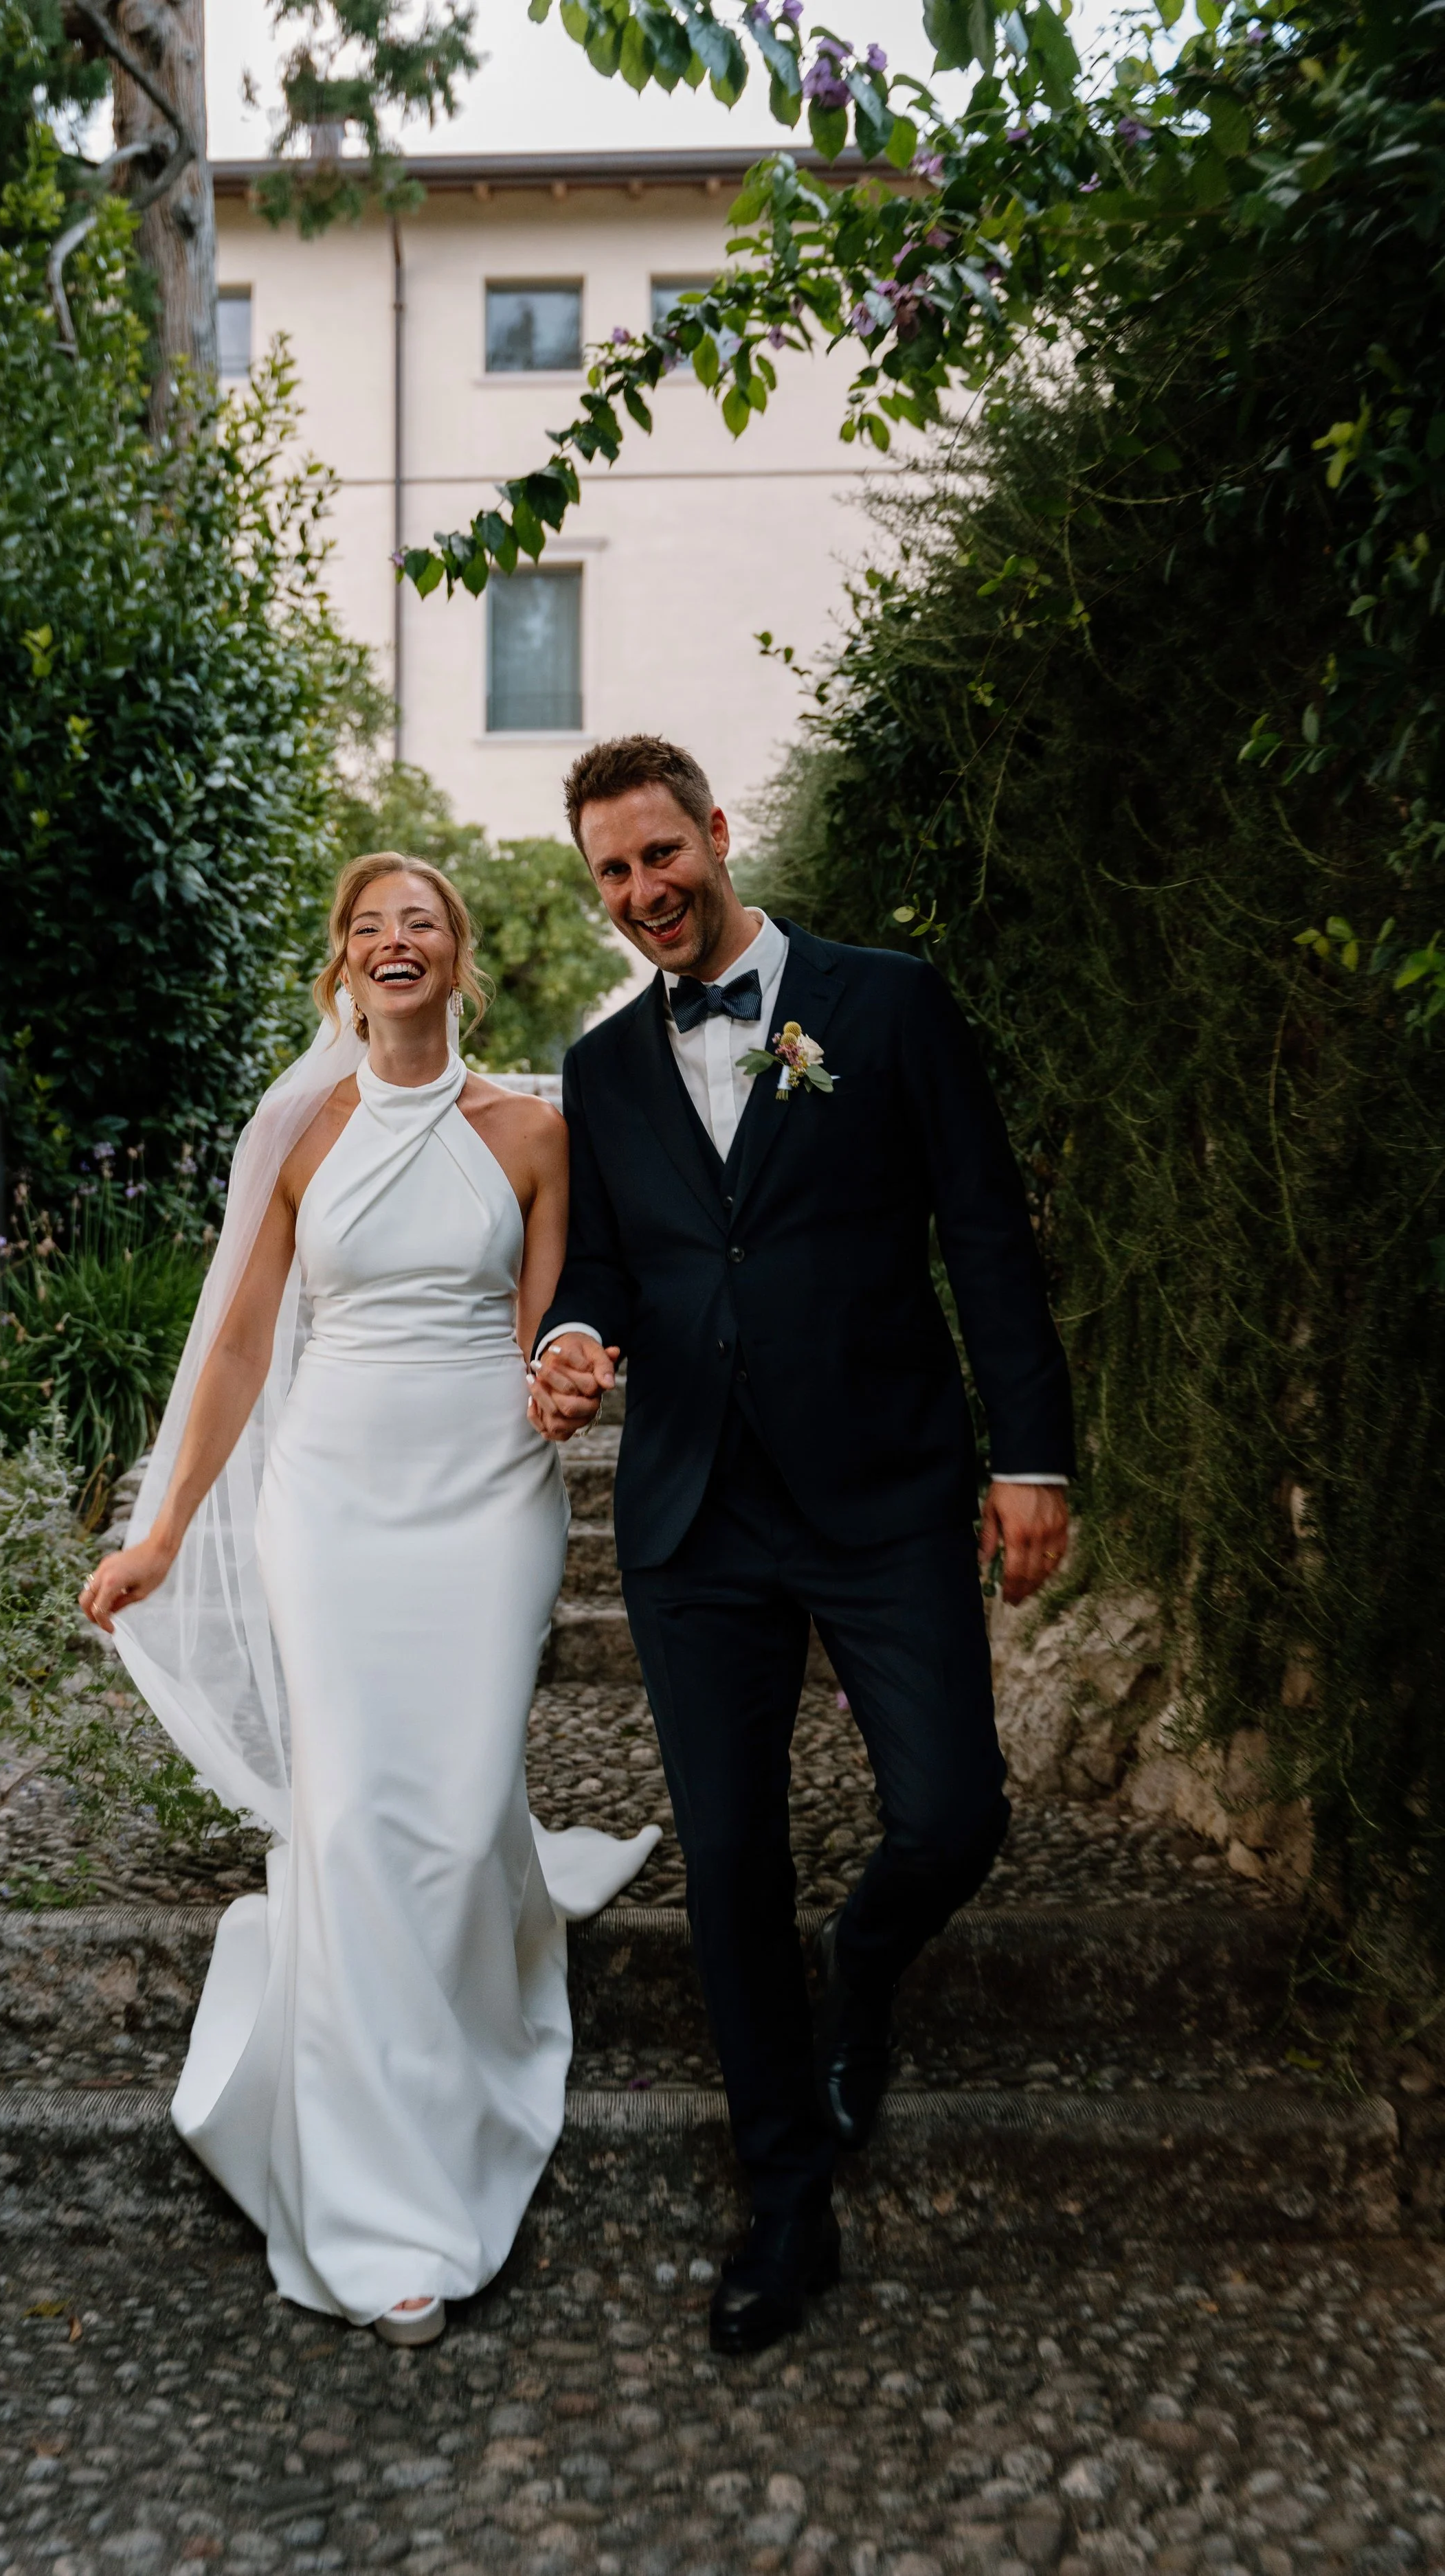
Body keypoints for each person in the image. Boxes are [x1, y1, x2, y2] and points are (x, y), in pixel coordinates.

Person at [528, 736, 1074, 2357]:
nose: (643, 895)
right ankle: (782, 2201)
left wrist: (1025, 1451)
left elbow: (981, 1228)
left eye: (658, 856)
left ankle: (868, 1955)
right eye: (612, 876)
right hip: (693, 1518)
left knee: (950, 1808)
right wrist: (565, 1337)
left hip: (884, 1487)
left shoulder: (885, 1000)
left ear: (713, 829)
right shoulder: (602, 1066)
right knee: (729, 1859)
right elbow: (606, 1269)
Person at [81, 853, 658, 2347]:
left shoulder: (535, 1131)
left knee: (459, 1813)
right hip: (327, 1498)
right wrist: (159, 1532)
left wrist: (568, 1381)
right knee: (345, 1818)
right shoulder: (298, 1131)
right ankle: (379, 2197)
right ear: (339, 967)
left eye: (420, 923)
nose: (393, 943)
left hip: (481, 1505)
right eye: (366, 927)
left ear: (458, 958)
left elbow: (550, 1330)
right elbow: (233, 1352)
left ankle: (476, 1994)